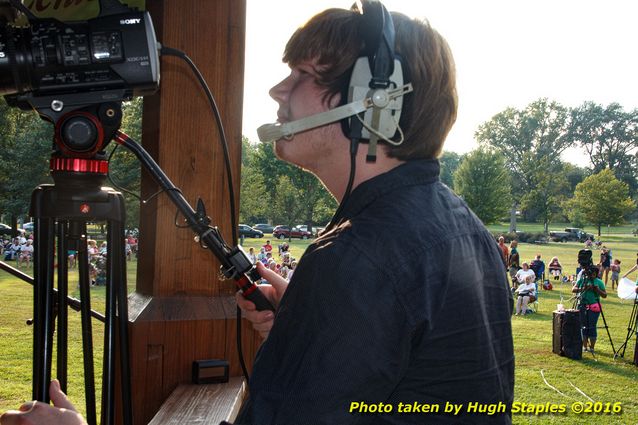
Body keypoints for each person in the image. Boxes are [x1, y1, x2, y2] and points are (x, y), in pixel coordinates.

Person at [1, 3, 513, 424]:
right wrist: (301, 327)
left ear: (376, 102)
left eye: (303, 75)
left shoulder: (359, 257)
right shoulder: (460, 223)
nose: (277, 91)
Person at [572, 266, 607, 354]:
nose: (592, 276)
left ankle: (592, 347)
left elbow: (604, 295)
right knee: (583, 326)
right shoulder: (582, 280)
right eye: (590, 274)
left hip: (594, 306)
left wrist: (597, 289)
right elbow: (573, 289)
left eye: (594, 274)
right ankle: (584, 346)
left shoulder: (599, 282)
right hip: (582, 305)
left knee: (592, 326)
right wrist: (583, 288)